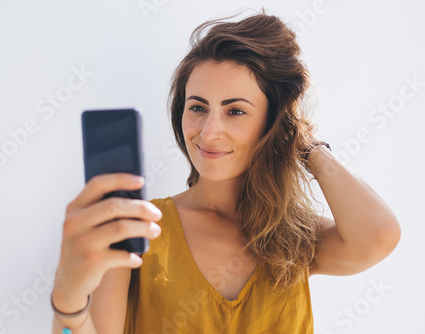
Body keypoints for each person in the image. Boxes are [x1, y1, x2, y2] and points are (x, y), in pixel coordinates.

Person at [50, 10, 401, 334]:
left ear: (272, 122)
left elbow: (379, 237)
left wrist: (305, 146)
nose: (207, 131)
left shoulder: (291, 237)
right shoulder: (140, 227)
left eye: (235, 111)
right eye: (198, 107)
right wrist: (67, 299)